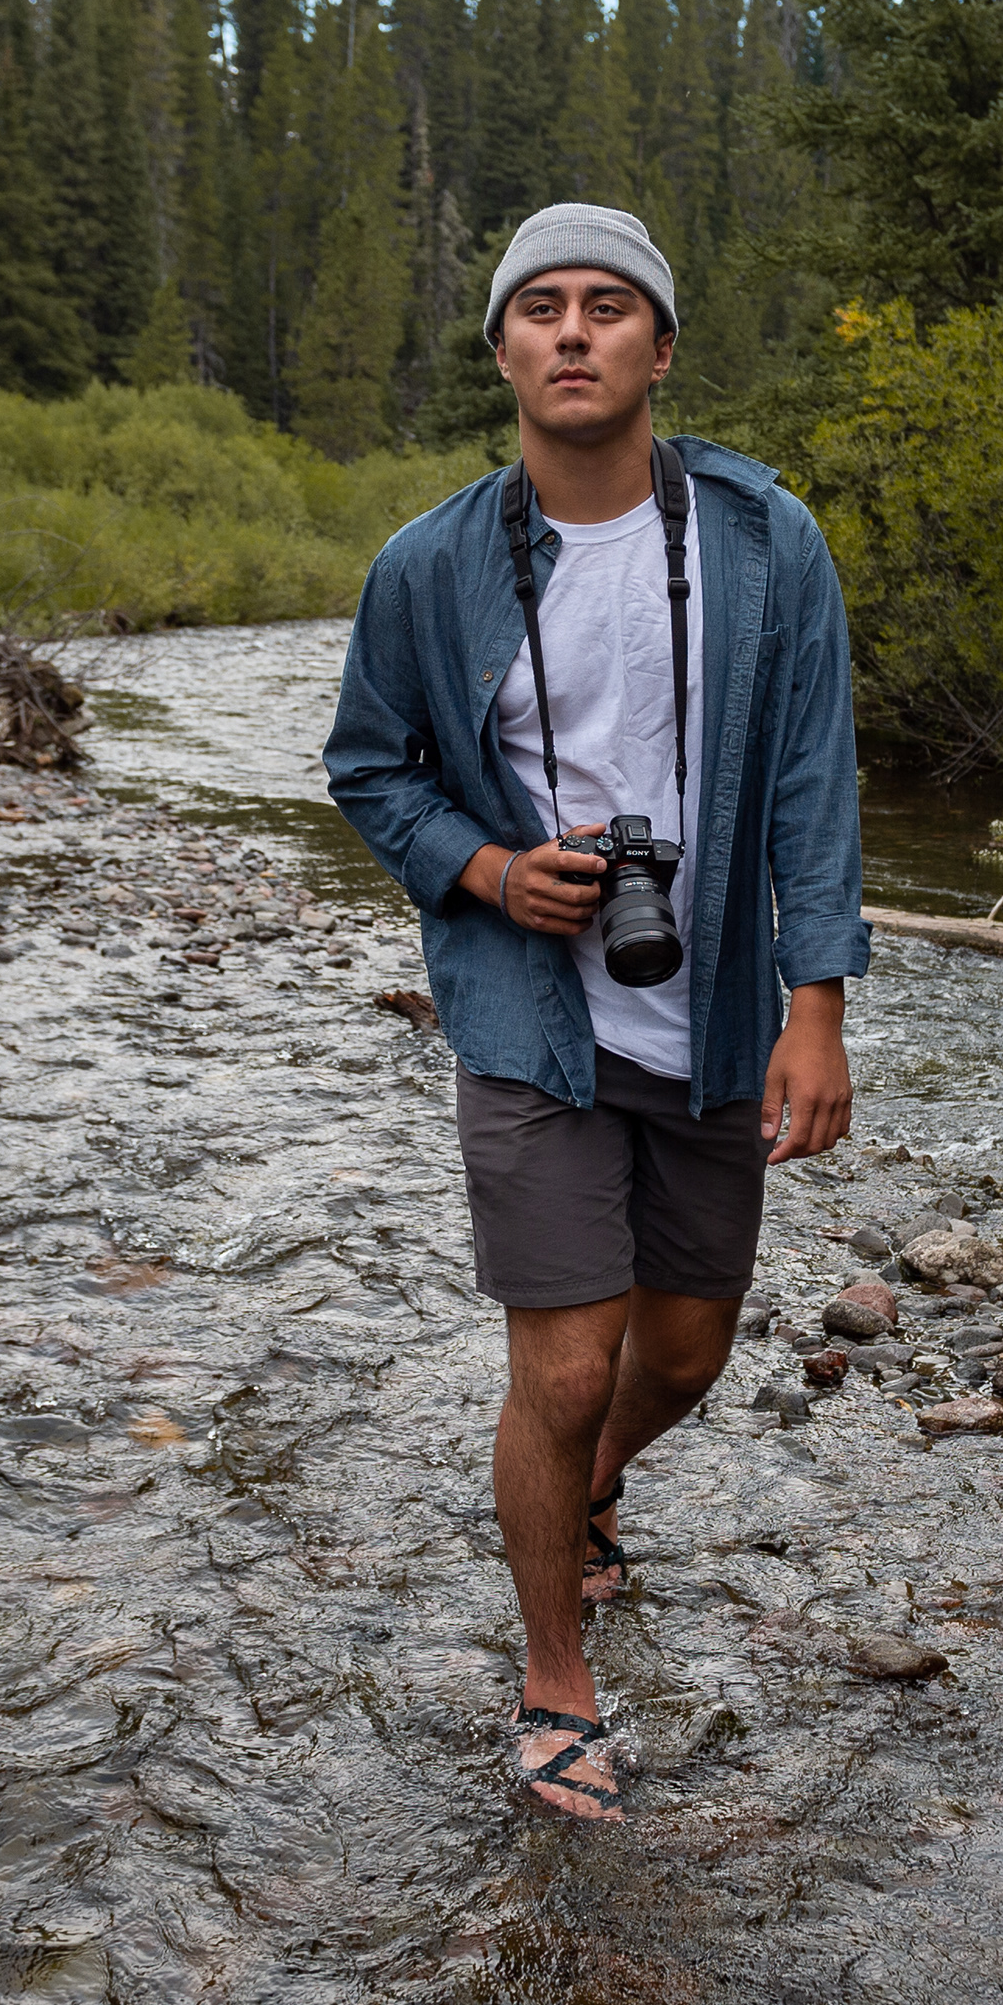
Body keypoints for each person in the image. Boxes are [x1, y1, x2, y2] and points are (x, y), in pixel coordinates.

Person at [324, 201, 867, 1824]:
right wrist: (491, 871)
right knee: (562, 1372)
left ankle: (594, 1488)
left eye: (608, 306)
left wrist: (816, 1002)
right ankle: (554, 1677)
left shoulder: (766, 541)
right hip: (529, 1016)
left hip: (712, 1011)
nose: (573, 331)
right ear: (501, 350)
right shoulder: (428, 567)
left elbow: (813, 782)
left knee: (683, 1356)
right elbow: (369, 769)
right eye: (541, 307)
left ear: (662, 348)